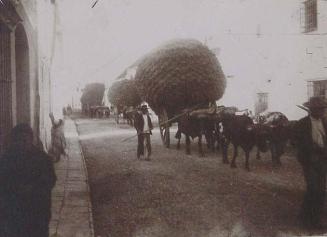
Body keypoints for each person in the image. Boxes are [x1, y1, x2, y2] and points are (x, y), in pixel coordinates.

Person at [0, 124, 56, 237]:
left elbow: (50, 180)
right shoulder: (6, 159)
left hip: (37, 212)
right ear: (14, 140)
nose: (22, 143)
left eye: (25, 139)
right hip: (13, 213)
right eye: (19, 140)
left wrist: (33, 188)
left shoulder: (42, 159)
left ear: (31, 139)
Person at [293, 96, 327, 229]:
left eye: (323, 109)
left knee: (320, 189)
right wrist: (310, 149)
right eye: (319, 109)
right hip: (309, 159)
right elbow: (296, 141)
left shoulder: (325, 122)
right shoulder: (302, 123)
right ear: (311, 110)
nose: (322, 111)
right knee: (314, 188)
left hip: (323, 159)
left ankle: (304, 215)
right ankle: (314, 220)